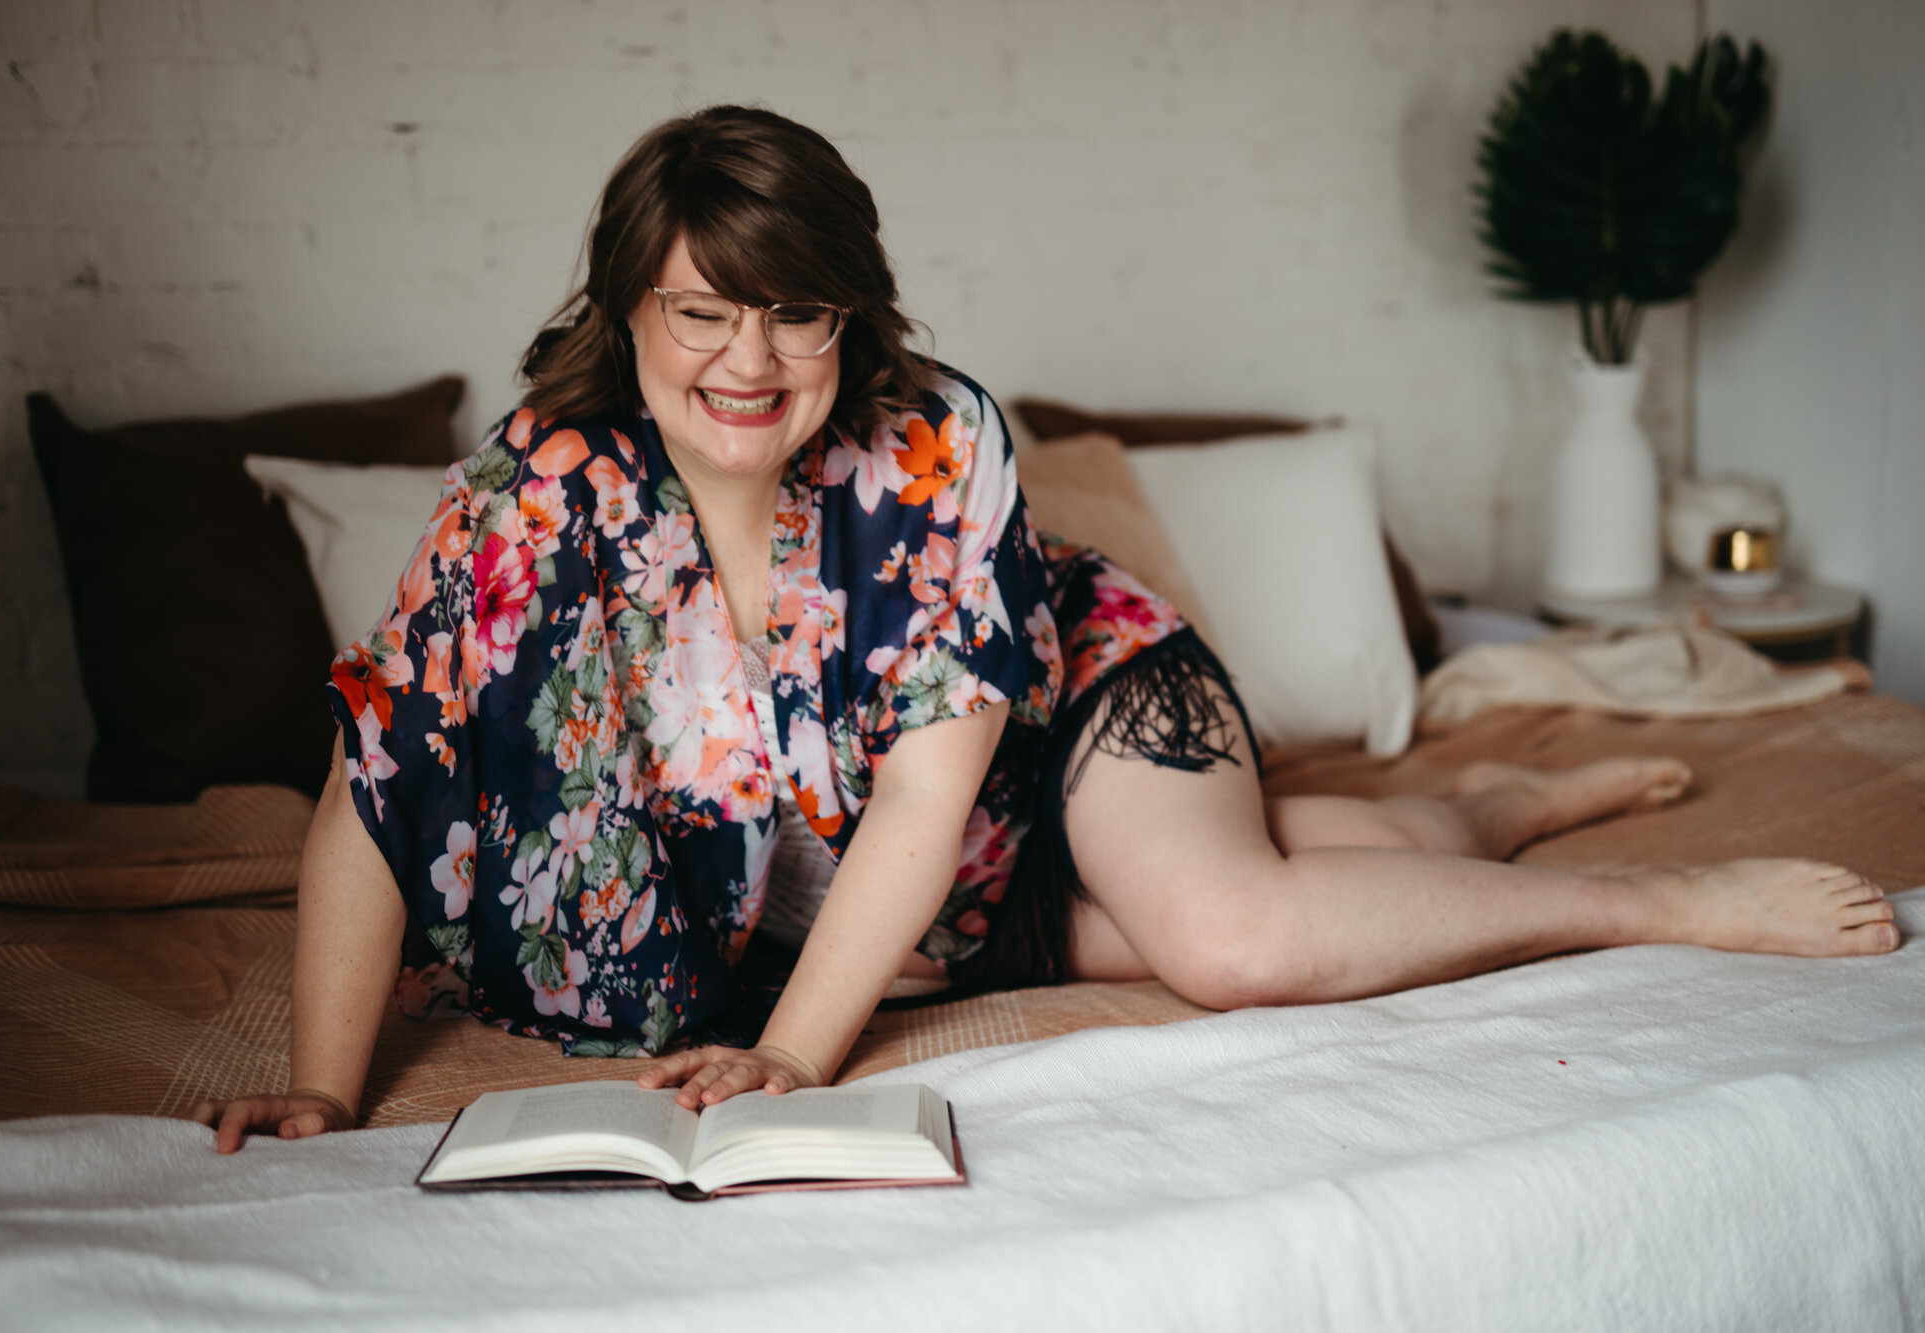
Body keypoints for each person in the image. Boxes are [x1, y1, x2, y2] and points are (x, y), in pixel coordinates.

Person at [193, 106, 1899, 1153]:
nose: (749, 360)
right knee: (1256, 877)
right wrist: (330, 1094)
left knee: (1230, 936)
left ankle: (1662, 895)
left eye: (796, 312)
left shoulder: (934, 435)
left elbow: (929, 804)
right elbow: (381, 781)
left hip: (1064, 713)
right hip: (910, 896)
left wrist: (791, 1059)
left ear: (848, 315)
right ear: (630, 307)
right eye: (703, 309)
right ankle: (1503, 806)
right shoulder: (533, 495)